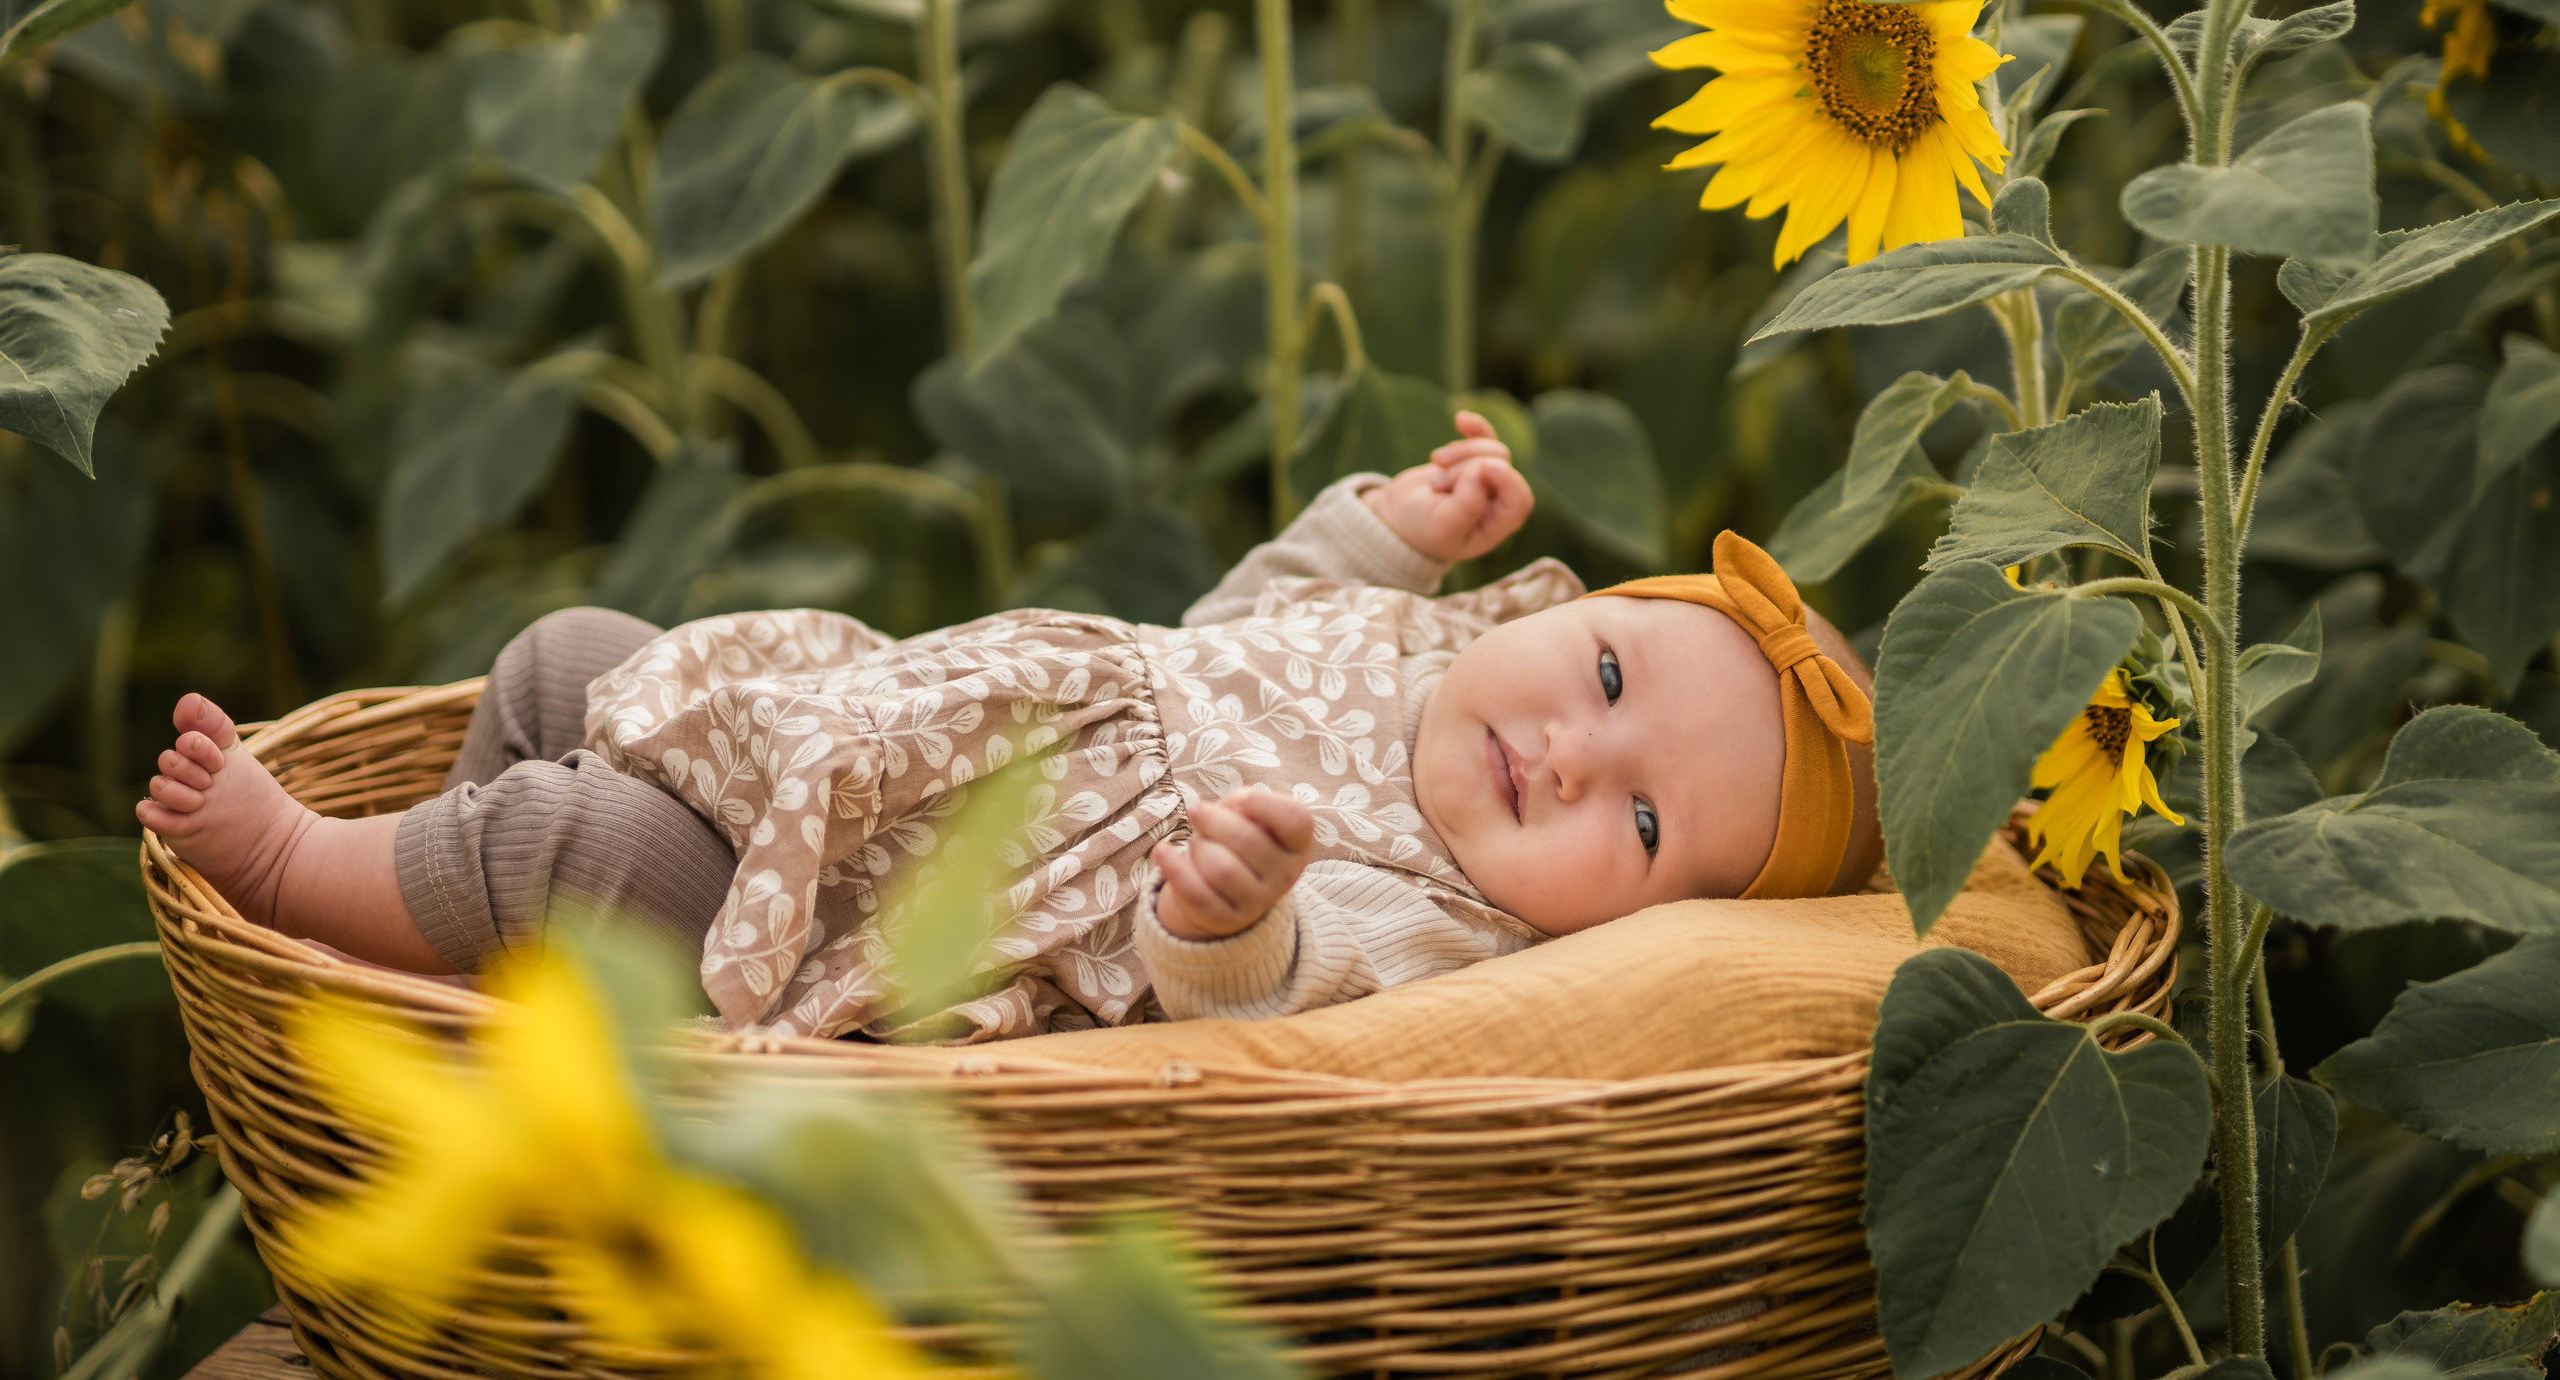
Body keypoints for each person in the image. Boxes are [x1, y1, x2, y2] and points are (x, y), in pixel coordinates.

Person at [135, 413, 1878, 1043]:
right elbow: (1242, 622)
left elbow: (1284, 995)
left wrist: (1235, 914)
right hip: (850, 748)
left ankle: (303, 877)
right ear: (1570, 612)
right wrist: (1388, 533)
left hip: (838, 926)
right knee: (562, 661)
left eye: (1642, 825)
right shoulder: (1430, 648)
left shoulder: (1439, 913)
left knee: (574, 843)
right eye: (1609, 679)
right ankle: (457, 969)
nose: (1574, 755)